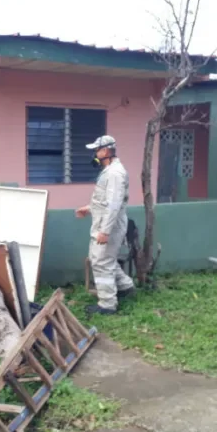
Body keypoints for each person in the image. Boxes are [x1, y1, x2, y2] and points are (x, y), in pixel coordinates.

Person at [75, 135, 135, 315]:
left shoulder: (115, 174)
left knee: (102, 262)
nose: (95, 153)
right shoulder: (110, 171)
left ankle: (107, 305)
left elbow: (114, 204)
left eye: (97, 150)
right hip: (104, 222)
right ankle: (125, 287)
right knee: (100, 259)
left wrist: (105, 231)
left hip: (110, 225)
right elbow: (105, 201)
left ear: (106, 151)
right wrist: (89, 208)